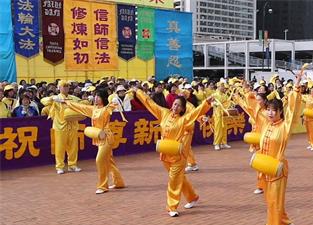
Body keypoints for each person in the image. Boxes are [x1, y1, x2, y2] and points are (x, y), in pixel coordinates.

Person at [135, 88, 214, 217]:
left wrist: (206, 103)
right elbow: (150, 104)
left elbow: (195, 113)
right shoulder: (164, 113)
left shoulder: (184, 120)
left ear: (183, 109)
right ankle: (192, 197)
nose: (175, 106)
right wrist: (138, 92)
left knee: (173, 180)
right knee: (180, 178)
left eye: (179, 105)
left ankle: (171, 206)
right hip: (165, 153)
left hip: (178, 155)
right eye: (175, 104)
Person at [257, 69, 304, 225]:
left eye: (273, 110)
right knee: (271, 201)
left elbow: (293, 109)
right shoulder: (265, 125)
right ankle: (286, 224)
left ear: (280, 112)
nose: (270, 113)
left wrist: (296, 89)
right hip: (264, 169)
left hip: (278, 169)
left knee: (274, 203)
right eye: (268, 109)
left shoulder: (285, 126)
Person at [58, 88, 126, 194]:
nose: (95, 98)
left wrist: (115, 99)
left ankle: (102, 186)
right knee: (109, 161)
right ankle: (119, 182)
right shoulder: (93, 109)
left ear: (103, 98)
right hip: (98, 137)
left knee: (99, 160)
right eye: (95, 96)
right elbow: (81, 107)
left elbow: (113, 106)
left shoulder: (107, 109)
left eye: (98, 96)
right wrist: (65, 101)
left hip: (107, 137)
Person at [41, 81, 82, 174]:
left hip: (73, 126)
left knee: (73, 147)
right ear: (59, 88)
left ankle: (72, 165)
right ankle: (59, 166)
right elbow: (43, 101)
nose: (66, 88)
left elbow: (83, 103)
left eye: (67, 86)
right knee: (60, 148)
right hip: (60, 127)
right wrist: (52, 99)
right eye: (64, 86)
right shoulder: (56, 98)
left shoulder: (73, 98)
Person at [233, 84, 268, 194]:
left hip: (267, 139)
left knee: (266, 163)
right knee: (260, 163)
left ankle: (266, 183)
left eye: (259, 100)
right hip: (257, 139)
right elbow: (245, 106)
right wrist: (237, 97)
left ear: (265, 100)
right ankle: (261, 185)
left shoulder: (269, 112)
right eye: (256, 99)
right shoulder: (256, 109)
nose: (257, 102)